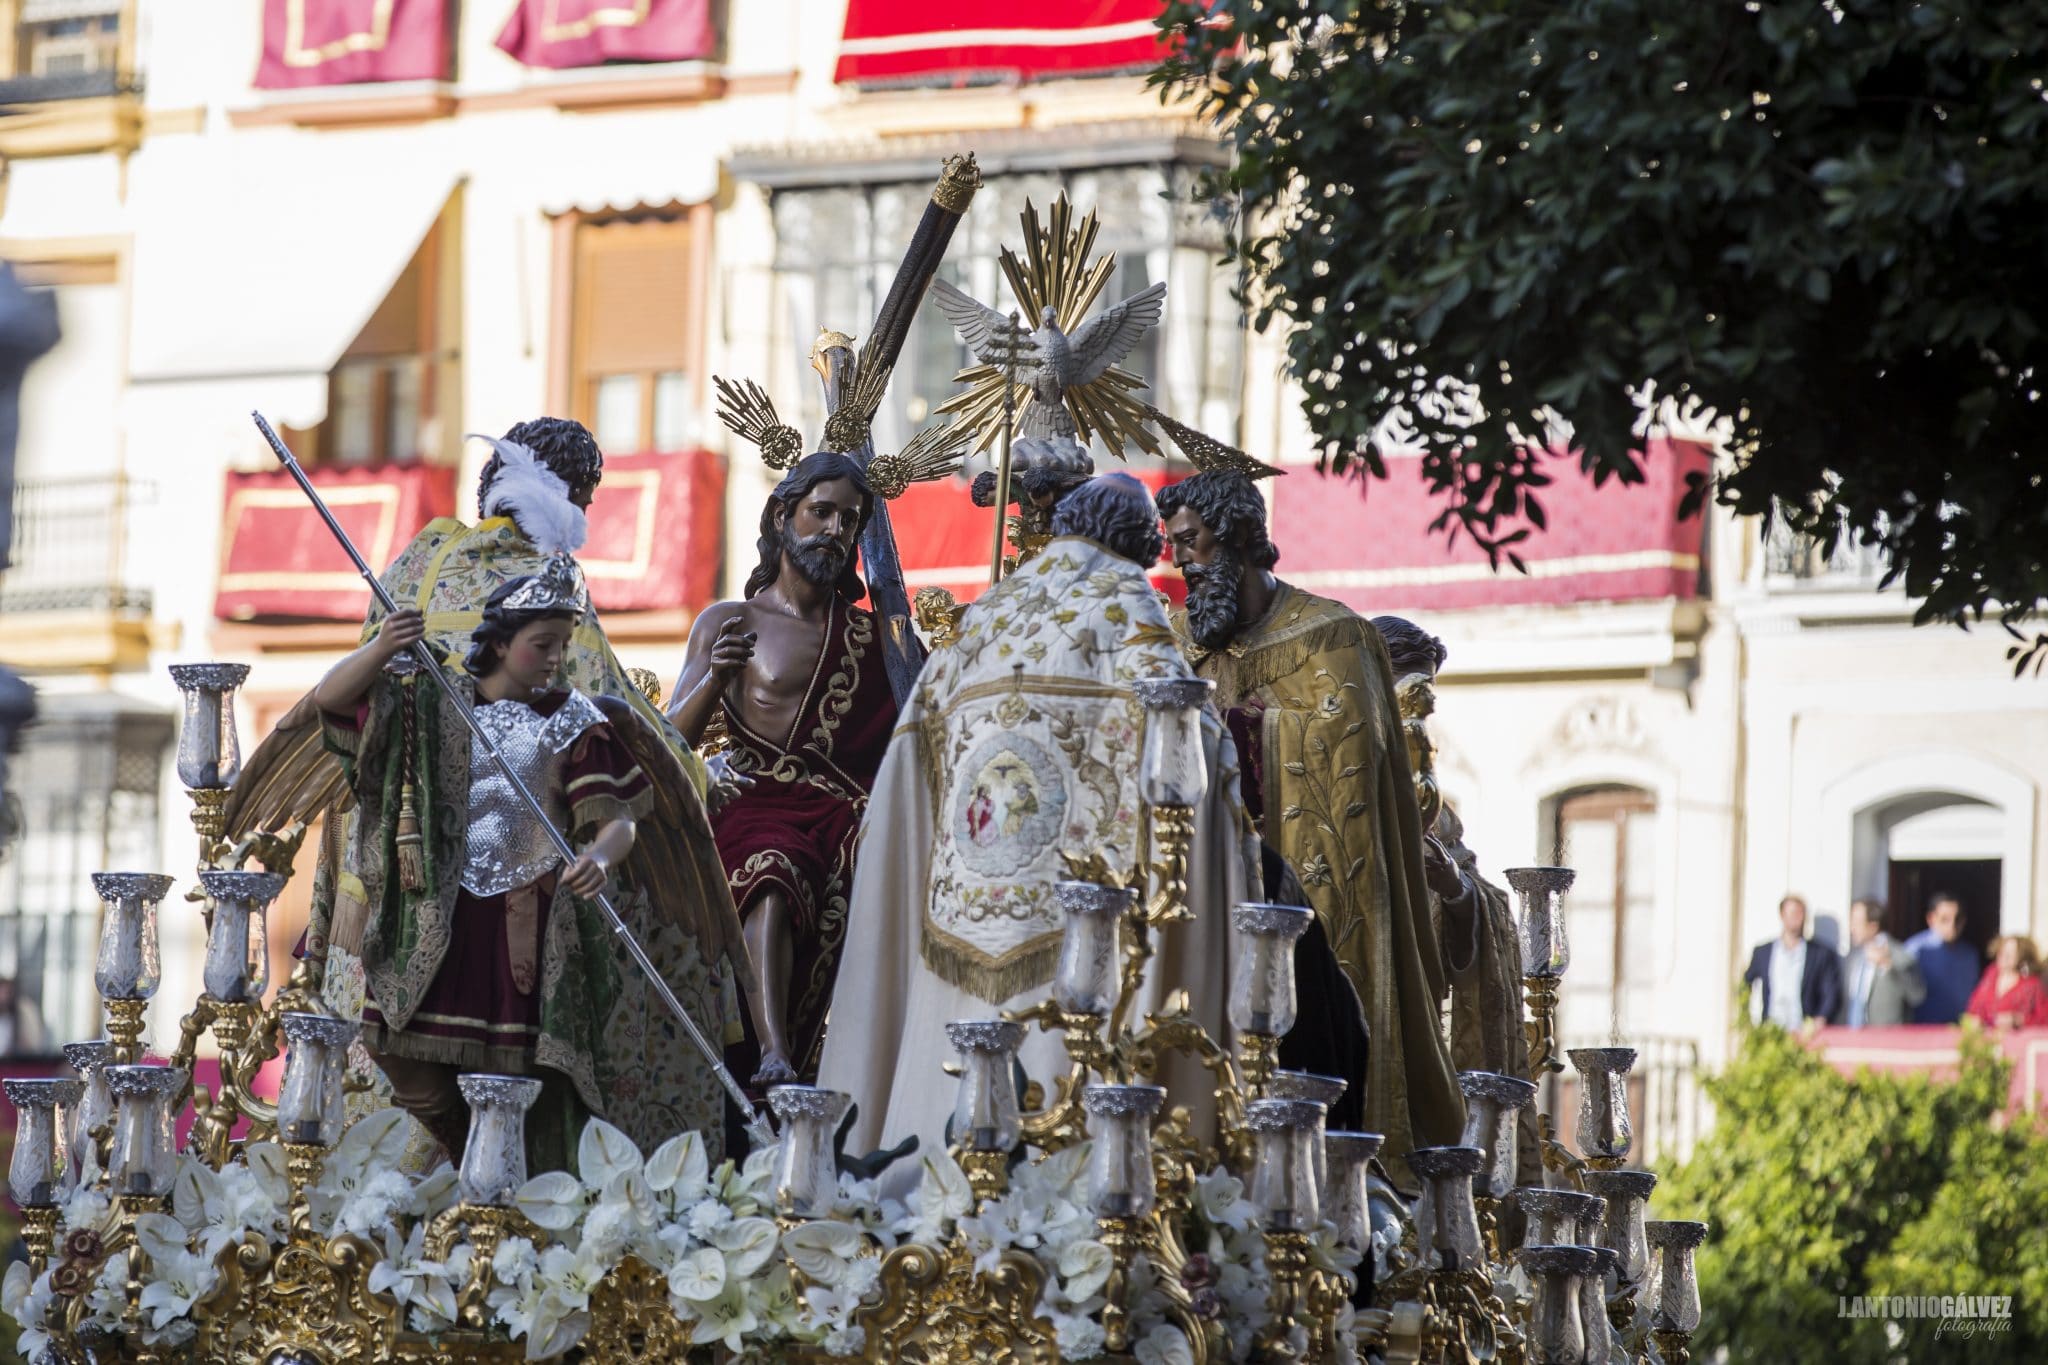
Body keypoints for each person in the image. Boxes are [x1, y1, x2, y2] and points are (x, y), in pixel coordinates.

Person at [818, 474, 1257, 1191]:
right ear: (1143, 545)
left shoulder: (977, 632)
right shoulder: (1136, 627)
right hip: (1083, 961)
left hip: (957, 934)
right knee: (1069, 1154)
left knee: (936, 1150)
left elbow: (904, 780)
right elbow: (1198, 762)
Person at [311, 559, 743, 1170]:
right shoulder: (435, 701)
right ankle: (463, 1148)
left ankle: (506, 1179)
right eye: (542, 645)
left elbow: (618, 818)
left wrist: (599, 854)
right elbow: (330, 701)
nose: (555, 661)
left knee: (514, 1075)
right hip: (445, 918)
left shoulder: (574, 720)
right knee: (400, 1048)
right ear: (500, 642)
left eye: (563, 646)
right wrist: (383, 646)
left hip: (526, 922)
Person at [1157, 469, 1463, 1188]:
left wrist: (1223, 732)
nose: (1182, 564)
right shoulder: (1173, 643)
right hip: (1204, 904)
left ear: (1236, 538)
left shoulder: (1334, 638)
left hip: (1310, 915)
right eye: (1173, 547)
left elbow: (1349, 761)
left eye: (1192, 543)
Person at [668, 451, 898, 1088]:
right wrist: (716, 677)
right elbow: (668, 741)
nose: (833, 530)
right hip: (751, 800)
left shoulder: (875, 639)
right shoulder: (730, 621)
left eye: (848, 521)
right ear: (782, 516)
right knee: (773, 865)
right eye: (819, 512)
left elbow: (919, 724)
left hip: (843, 810)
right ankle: (774, 1051)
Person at [1742, 895, 1842, 1029]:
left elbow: (1831, 991)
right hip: (1771, 1029)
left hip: (1805, 1030)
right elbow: (1745, 984)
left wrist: (1821, 1018)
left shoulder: (1820, 954)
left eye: (1801, 913)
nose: (1797, 918)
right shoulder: (1763, 952)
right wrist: (1745, 1018)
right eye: (1793, 913)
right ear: (1782, 915)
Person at [1840, 898, 1925, 1028]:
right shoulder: (1855, 958)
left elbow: (1917, 995)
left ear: (1873, 926)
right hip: (1854, 1040)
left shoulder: (1900, 955)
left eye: (1856, 922)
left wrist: (1889, 965)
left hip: (1886, 1039)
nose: (1852, 928)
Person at [1904, 892, 1982, 1025]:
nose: (1952, 926)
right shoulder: (1915, 950)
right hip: (1923, 1030)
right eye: (1944, 919)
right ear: (1931, 919)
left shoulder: (1970, 955)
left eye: (1957, 919)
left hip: (1959, 1030)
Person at [1964, 936, 2048, 1031]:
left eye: (2011, 952)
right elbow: (1974, 1007)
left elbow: (2044, 1019)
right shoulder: (1990, 975)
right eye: (2002, 950)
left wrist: (2017, 1020)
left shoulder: (2032, 984)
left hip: (2016, 1042)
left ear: (2022, 957)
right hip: (1987, 1040)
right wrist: (1975, 1020)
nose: (2004, 955)